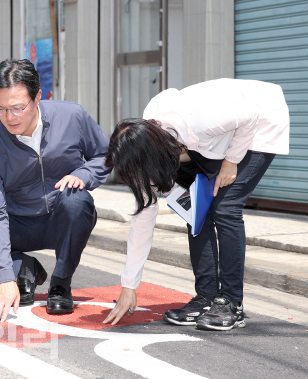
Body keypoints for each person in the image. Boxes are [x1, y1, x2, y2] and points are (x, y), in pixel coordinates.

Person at [104, 78, 289, 331]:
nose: (140, 179)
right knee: (195, 210)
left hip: (257, 122)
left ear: (152, 156)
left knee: (225, 207)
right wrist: (129, 285)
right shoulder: (149, 143)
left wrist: (232, 161)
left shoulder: (200, 120)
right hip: (201, 143)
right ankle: (207, 297)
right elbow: (143, 220)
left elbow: (250, 114)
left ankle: (232, 302)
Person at [0, 59, 111, 323]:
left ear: (38, 97)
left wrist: (83, 175)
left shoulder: (72, 116)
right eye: (0, 109)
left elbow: (104, 155)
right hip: (18, 224)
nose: (10, 117)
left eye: (17, 107)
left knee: (77, 200)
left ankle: (61, 283)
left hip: (63, 217)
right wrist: (4, 276)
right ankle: (23, 269)